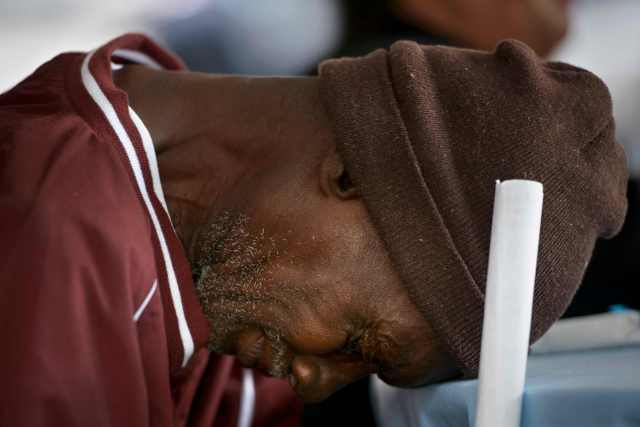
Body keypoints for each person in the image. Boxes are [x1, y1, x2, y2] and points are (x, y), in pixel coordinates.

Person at [0, 33, 627, 426]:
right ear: (354, 175)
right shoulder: (57, 236)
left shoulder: (191, 249)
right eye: (362, 343)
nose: (314, 383)